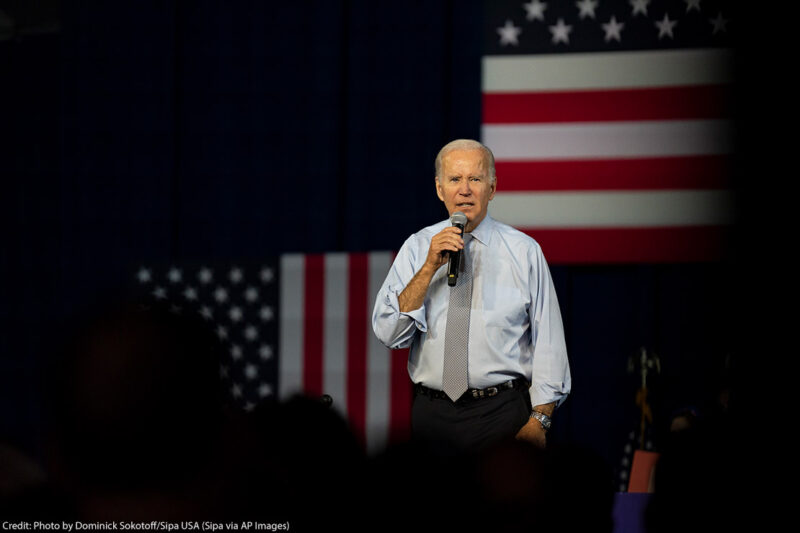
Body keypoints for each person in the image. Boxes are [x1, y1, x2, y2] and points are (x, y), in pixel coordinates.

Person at [372, 139, 571, 453]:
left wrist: (539, 420)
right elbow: (388, 333)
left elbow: (549, 344)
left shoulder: (524, 252)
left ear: (492, 189)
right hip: (432, 415)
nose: (464, 190)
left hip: (502, 415)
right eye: (454, 180)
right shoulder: (417, 247)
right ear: (440, 190)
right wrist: (428, 268)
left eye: (474, 179)